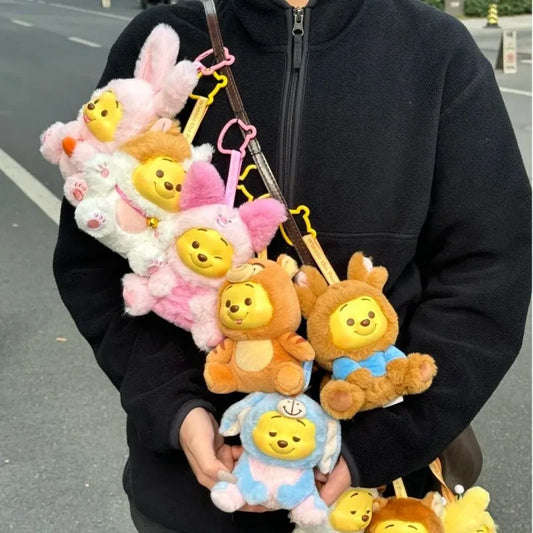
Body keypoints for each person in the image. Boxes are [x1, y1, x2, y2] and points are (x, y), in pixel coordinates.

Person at [52, 0, 531, 532]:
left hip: (378, 505)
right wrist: (176, 407)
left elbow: (487, 275)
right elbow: (95, 262)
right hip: (191, 496)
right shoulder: (170, 40)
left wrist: (372, 447)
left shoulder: (436, 51)